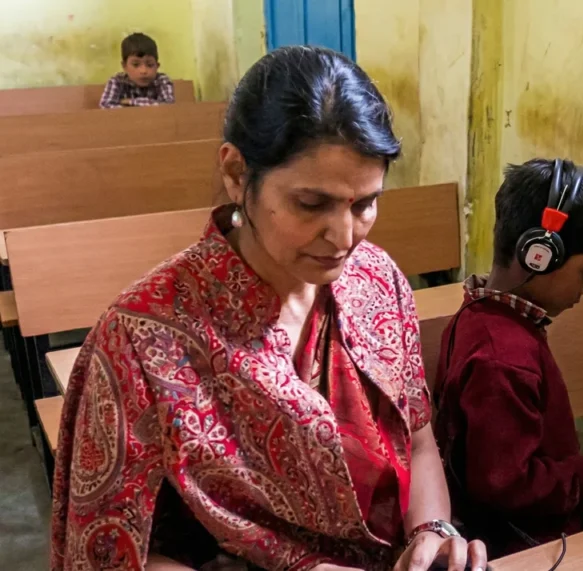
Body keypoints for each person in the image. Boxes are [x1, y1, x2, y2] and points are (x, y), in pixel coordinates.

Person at [52, 46, 486, 571]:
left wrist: (431, 533)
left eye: (365, 203)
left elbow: (418, 443)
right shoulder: (143, 339)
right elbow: (107, 557)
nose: (343, 237)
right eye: (312, 204)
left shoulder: (377, 280)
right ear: (237, 173)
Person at [432, 158, 583, 558]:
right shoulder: (502, 356)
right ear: (540, 256)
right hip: (527, 544)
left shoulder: (479, 315)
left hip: (523, 530)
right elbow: (506, 485)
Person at [99, 32, 175, 108]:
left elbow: (167, 106)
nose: (143, 71)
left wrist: (130, 101)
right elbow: (105, 106)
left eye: (150, 65)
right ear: (124, 66)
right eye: (136, 65)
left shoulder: (162, 81)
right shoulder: (117, 81)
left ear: (157, 66)